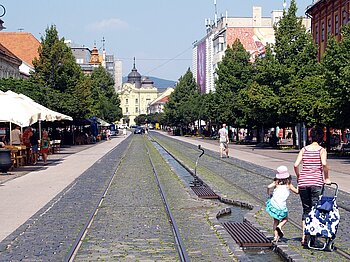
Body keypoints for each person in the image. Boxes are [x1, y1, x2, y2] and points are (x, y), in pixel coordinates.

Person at [294, 126, 331, 246]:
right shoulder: (321, 150)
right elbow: (324, 164)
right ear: (321, 137)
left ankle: (304, 237)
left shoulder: (304, 149)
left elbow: (295, 165)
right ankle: (313, 237)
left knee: (306, 210)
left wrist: (300, 177)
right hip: (316, 183)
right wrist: (327, 178)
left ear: (310, 137)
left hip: (304, 183)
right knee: (315, 210)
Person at [266, 165, 298, 243]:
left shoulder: (276, 182)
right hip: (281, 206)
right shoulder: (289, 185)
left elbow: (268, 186)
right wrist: (299, 185)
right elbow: (297, 192)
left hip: (274, 204)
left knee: (275, 221)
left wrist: (268, 193)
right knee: (285, 219)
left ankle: (275, 237)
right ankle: (280, 226)